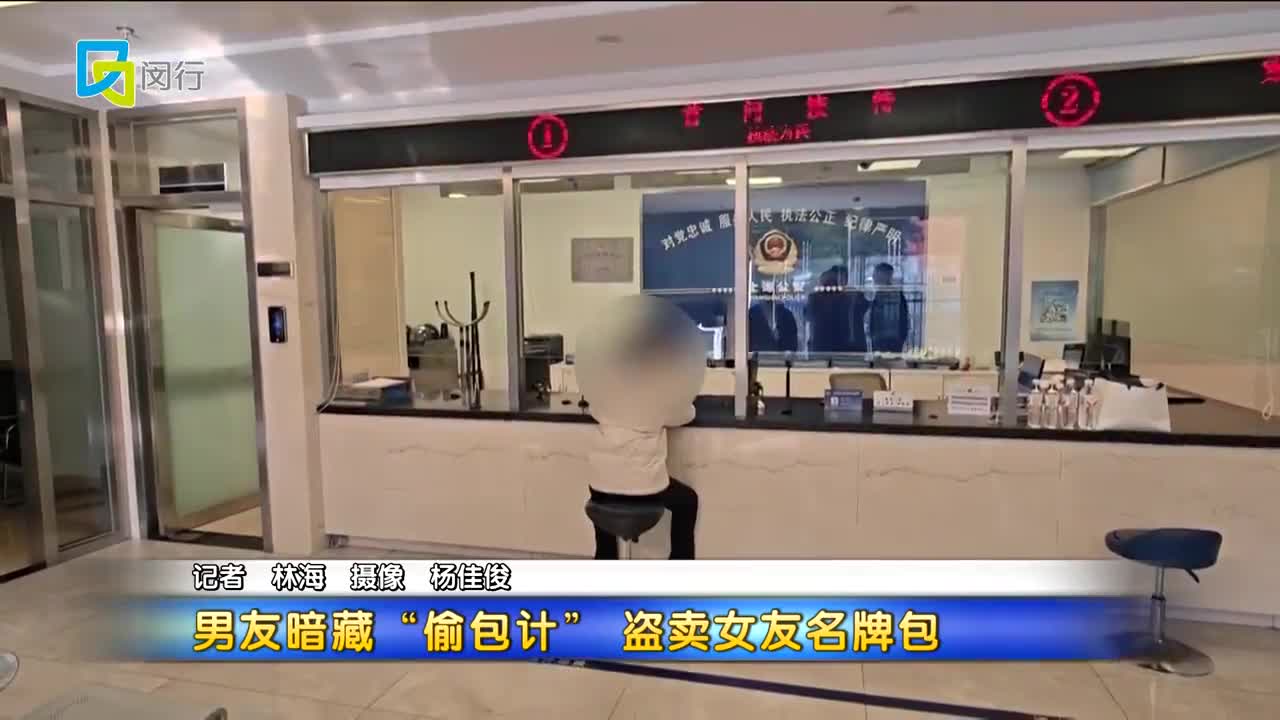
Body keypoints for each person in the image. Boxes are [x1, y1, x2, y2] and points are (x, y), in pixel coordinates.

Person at [575, 295, 705, 560]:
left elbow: (595, 410)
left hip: (600, 487)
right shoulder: (659, 387)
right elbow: (683, 415)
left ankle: (605, 561)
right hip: (643, 489)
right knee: (687, 501)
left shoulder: (605, 385)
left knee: (604, 500)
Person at [807, 265, 868, 353]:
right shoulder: (817, 298)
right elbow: (809, 316)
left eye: (843, 278)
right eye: (836, 279)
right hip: (824, 345)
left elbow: (865, 308)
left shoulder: (855, 295)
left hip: (853, 347)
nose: (840, 282)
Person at [867, 262, 911, 353]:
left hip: (890, 339)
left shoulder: (896, 295)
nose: (874, 277)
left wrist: (902, 337)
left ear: (886, 276)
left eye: (876, 274)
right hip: (881, 338)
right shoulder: (878, 294)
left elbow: (904, 318)